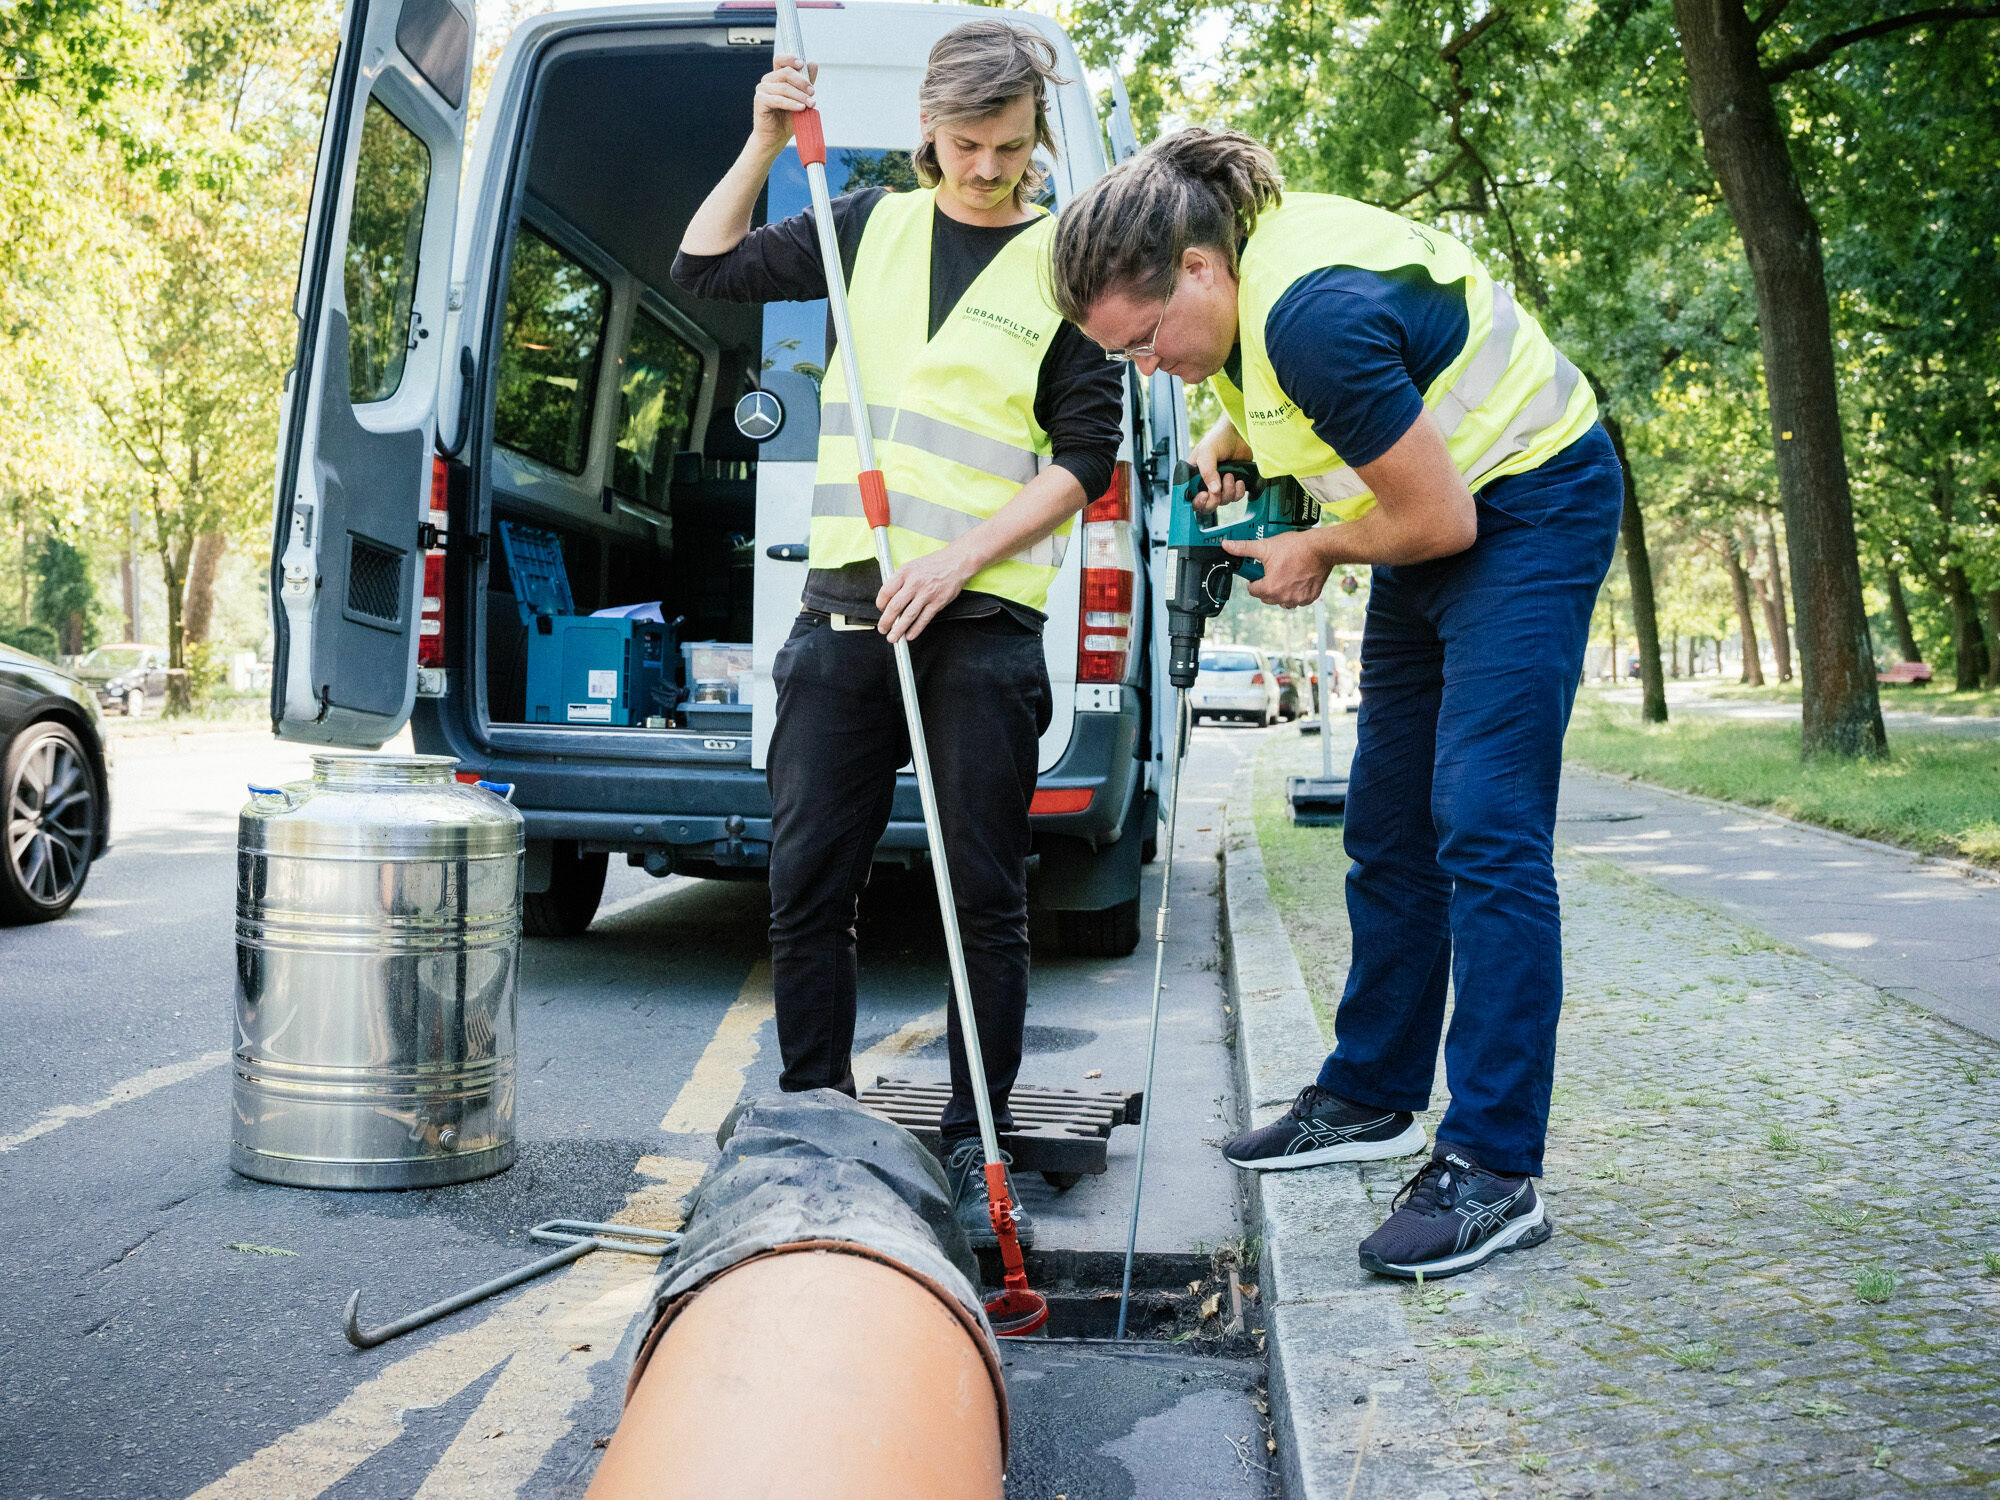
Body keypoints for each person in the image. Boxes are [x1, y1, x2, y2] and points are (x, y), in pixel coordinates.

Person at [1051, 129, 1622, 1281]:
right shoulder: (1238, 287)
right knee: (1384, 822)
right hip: (1444, 516)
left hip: (1527, 505)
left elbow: (1439, 519)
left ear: (1199, 270)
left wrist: (1312, 541)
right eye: (1125, 356)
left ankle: (1494, 1169)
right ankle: (1369, 1095)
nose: (1148, 367)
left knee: (1483, 822)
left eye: (1146, 340)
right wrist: (1231, 431)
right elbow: (1271, 384)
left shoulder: (1304, 314)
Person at [673, 22, 1123, 1248]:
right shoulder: (860, 221)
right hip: (843, 614)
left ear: (1036, 139)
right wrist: (765, 137)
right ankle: (816, 1106)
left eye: (1011, 148)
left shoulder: (1067, 261)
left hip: (978, 626)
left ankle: (976, 1134)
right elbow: (701, 263)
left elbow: (1086, 455)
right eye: (967, 144)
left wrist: (959, 557)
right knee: (808, 879)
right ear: (927, 126)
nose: (987, 170)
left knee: (983, 893)